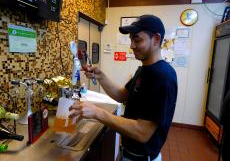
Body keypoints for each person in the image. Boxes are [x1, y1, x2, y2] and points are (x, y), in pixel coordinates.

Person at [69, 14, 178, 161]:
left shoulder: (162, 77)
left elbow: (142, 132)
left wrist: (97, 113)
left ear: (156, 39)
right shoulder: (145, 69)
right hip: (130, 153)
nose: (132, 45)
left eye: (137, 39)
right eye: (131, 39)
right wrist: (100, 76)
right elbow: (122, 95)